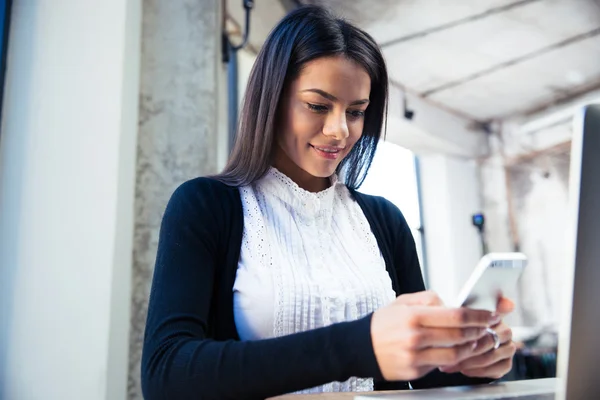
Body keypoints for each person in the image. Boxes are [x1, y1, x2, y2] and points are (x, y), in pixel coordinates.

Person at [141, 5, 516, 399]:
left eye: (356, 112)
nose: (339, 130)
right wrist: (359, 346)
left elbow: (420, 380)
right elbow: (166, 375)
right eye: (318, 106)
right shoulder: (206, 206)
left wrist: (468, 362)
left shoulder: (384, 221)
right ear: (273, 98)